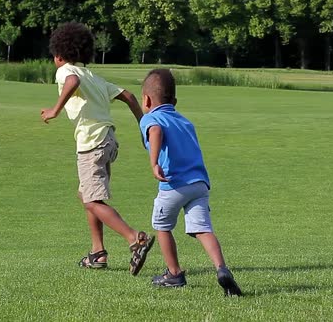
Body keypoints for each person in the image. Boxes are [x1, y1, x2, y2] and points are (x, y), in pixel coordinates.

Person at [40, 22, 154, 276]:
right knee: (87, 196)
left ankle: (136, 238)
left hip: (91, 144)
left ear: (59, 54)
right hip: (108, 140)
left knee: (91, 199)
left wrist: (54, 110)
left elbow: (69, 80)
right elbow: (129, 96)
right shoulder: (94, 77)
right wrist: (142, 124)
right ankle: (98, 252)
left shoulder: (66, 71)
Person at [139, 68, 242, 295]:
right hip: (199, 184)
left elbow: (155, 131)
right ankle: (222, 269)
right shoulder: (185, 122)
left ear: (146, 100)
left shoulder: (151, 118)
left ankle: (174, 273)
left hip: (174, 184)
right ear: (174, 101)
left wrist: (154, 162)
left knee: (162, 226)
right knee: (203, 229)